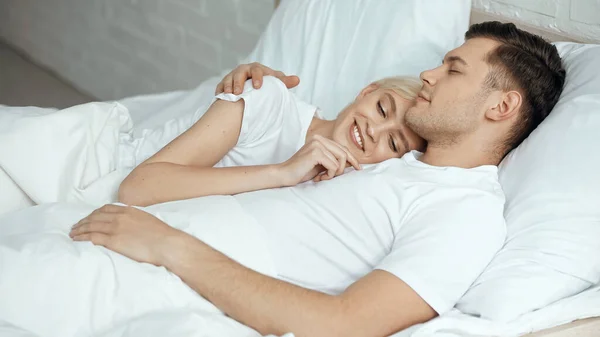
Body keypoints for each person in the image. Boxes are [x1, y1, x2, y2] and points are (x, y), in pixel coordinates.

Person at [70, 21, 566, 337]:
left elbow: (344, 324)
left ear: (500, 106)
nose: (428, 75)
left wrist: (170, 246)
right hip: (127, 236)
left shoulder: (466, 214)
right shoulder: (398, 161)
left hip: (155, 271)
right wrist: (260, 97)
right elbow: (315, 134)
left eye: (453, 69)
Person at [118, 75, 425, 206]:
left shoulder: (345, 187)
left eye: (394, 143)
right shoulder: (268, 101)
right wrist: (281, 173)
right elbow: (138, 186)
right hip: (109, 169)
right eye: (382, 108)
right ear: (367, 92)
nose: (375, 130)